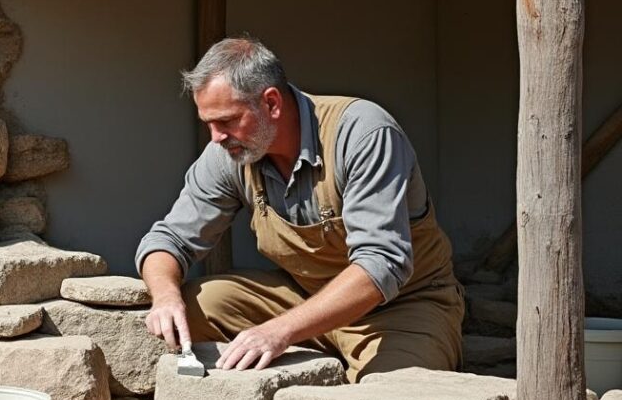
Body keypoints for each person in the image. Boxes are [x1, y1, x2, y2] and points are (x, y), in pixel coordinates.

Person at [138, 37, 463, 382]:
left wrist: (279, 332)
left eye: (227, 121)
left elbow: (381, 263)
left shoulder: (362, 133)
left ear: (272, 103)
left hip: (400, 309)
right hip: (301, 299)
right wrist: (165, 296)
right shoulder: (228, 153)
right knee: (189, 310)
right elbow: (169, 239)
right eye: (209, 123)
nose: (216, 137)